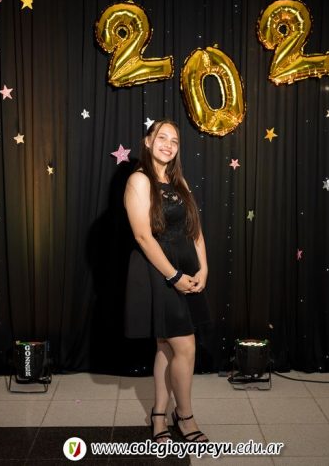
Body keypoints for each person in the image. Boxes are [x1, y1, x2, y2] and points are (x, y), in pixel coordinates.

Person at [123, 119, 210, 443]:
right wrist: (173, 276)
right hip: (159, 273)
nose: (168, 145)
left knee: (166, 346)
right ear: (148, 141)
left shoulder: (178, 181)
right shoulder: (139, 180)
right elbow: (143, 237)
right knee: (185, 346)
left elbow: (195, 228)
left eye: (174, 141)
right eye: (162, 138)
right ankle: (184, 416)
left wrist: (203, 268)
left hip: (186, 268)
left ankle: (158, 414)